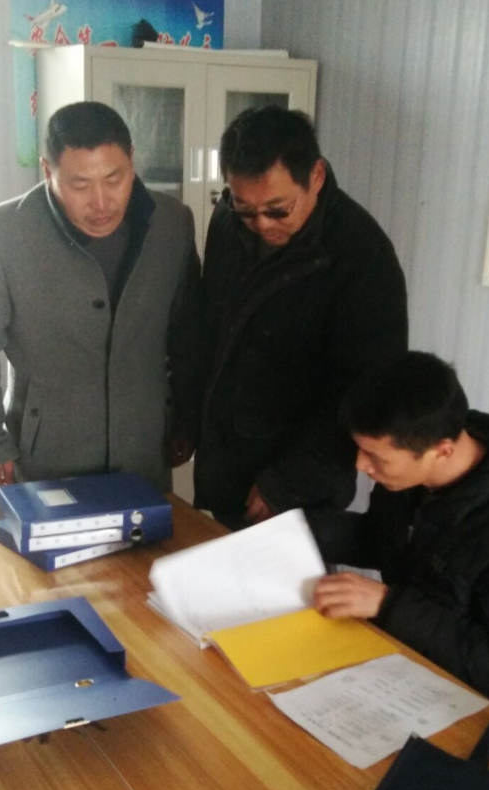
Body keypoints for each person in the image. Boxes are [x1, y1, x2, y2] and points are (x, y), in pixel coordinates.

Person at [310, 352, 489, 729]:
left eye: (374, 456)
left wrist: (386, 603)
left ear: (442, 451)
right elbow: (385, 540)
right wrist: (294, 530)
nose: (360, 465)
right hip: (415, 665)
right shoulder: (414, 468)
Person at [172, 106, 408, 529]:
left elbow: (366, 392)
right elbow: (209, 330)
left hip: (298, 487)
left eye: (278, 209)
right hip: (228, 465)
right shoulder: (227, 220)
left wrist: (287, 483)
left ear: (315, 176)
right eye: (246, 209)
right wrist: (188, 418)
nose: (262, 224)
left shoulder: (362, 256)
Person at [0, 102, 199, 492]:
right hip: (49, 456)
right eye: (80, 185)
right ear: (48, 171)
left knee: (148, 534)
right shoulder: (1, 234)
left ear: (132, 160)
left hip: (144, 449)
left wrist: (185, 418)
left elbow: (187, 332)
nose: (101, 202)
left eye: (114, 179)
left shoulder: (172, 223)